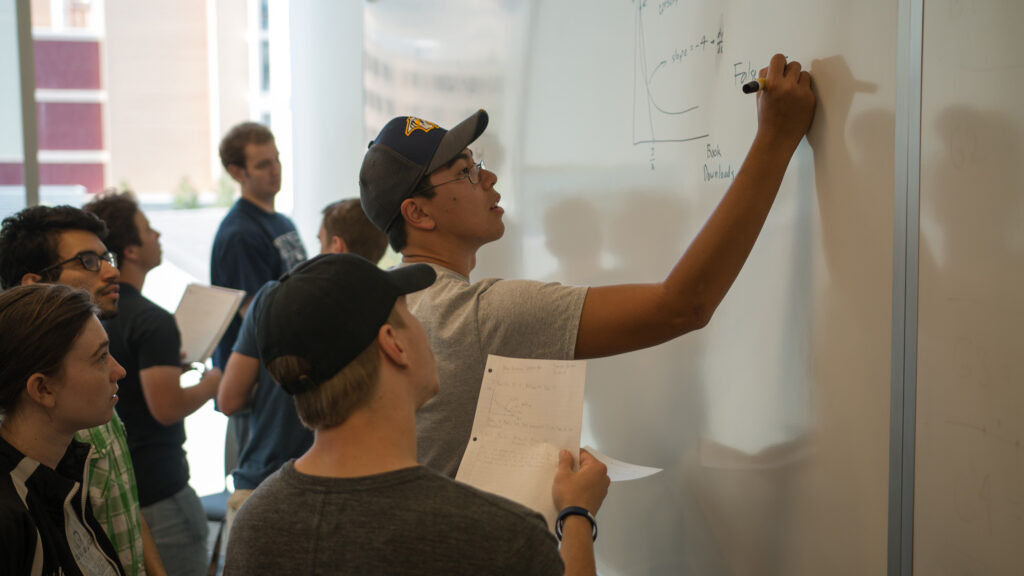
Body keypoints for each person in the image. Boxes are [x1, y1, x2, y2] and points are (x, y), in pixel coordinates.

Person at [359, 54, 816, 476]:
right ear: (417, 213)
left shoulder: (386, 305)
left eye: (478, 163)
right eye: (467, 172)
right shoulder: (475, 315)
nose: (489, 176)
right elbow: (683, 305)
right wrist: (774, 139)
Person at [223, 254, 610, 576]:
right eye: (408, 315)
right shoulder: (494, 536)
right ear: (394, 345)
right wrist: (576, 516)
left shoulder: (254, 524)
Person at [0, 205, 164, 575]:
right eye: (88, 261)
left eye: (106, 256)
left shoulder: (90, 395)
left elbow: (123, 507)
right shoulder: (38, 416)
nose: (112, 271)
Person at [216, 198, 386, 541]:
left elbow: (229, 398)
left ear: (336, 246)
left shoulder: (271, 298)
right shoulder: (390, 308)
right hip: (352, 490)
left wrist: (270, 388)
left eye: (320, 241)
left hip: (264, 487)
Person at [84, 192, 220, 576]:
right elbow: (166, 407)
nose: (158, 234)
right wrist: (213, 382)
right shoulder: (152, 320)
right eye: (148, 229)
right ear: (129, 249)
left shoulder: (90, 318)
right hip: (161, 497)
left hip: (116, 495)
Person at [0, 283, 128, 575]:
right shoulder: (8, 516)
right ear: (43, 389)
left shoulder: (60, 475)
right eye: (101, 357)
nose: (118, 370)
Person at [210, 122, 307, 370]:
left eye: (276, 160)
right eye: (263, 164)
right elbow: (257, 317)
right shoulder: (240, 234)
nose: (275, 170)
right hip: (257, 381)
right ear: (237, 172)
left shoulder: (283, 222)